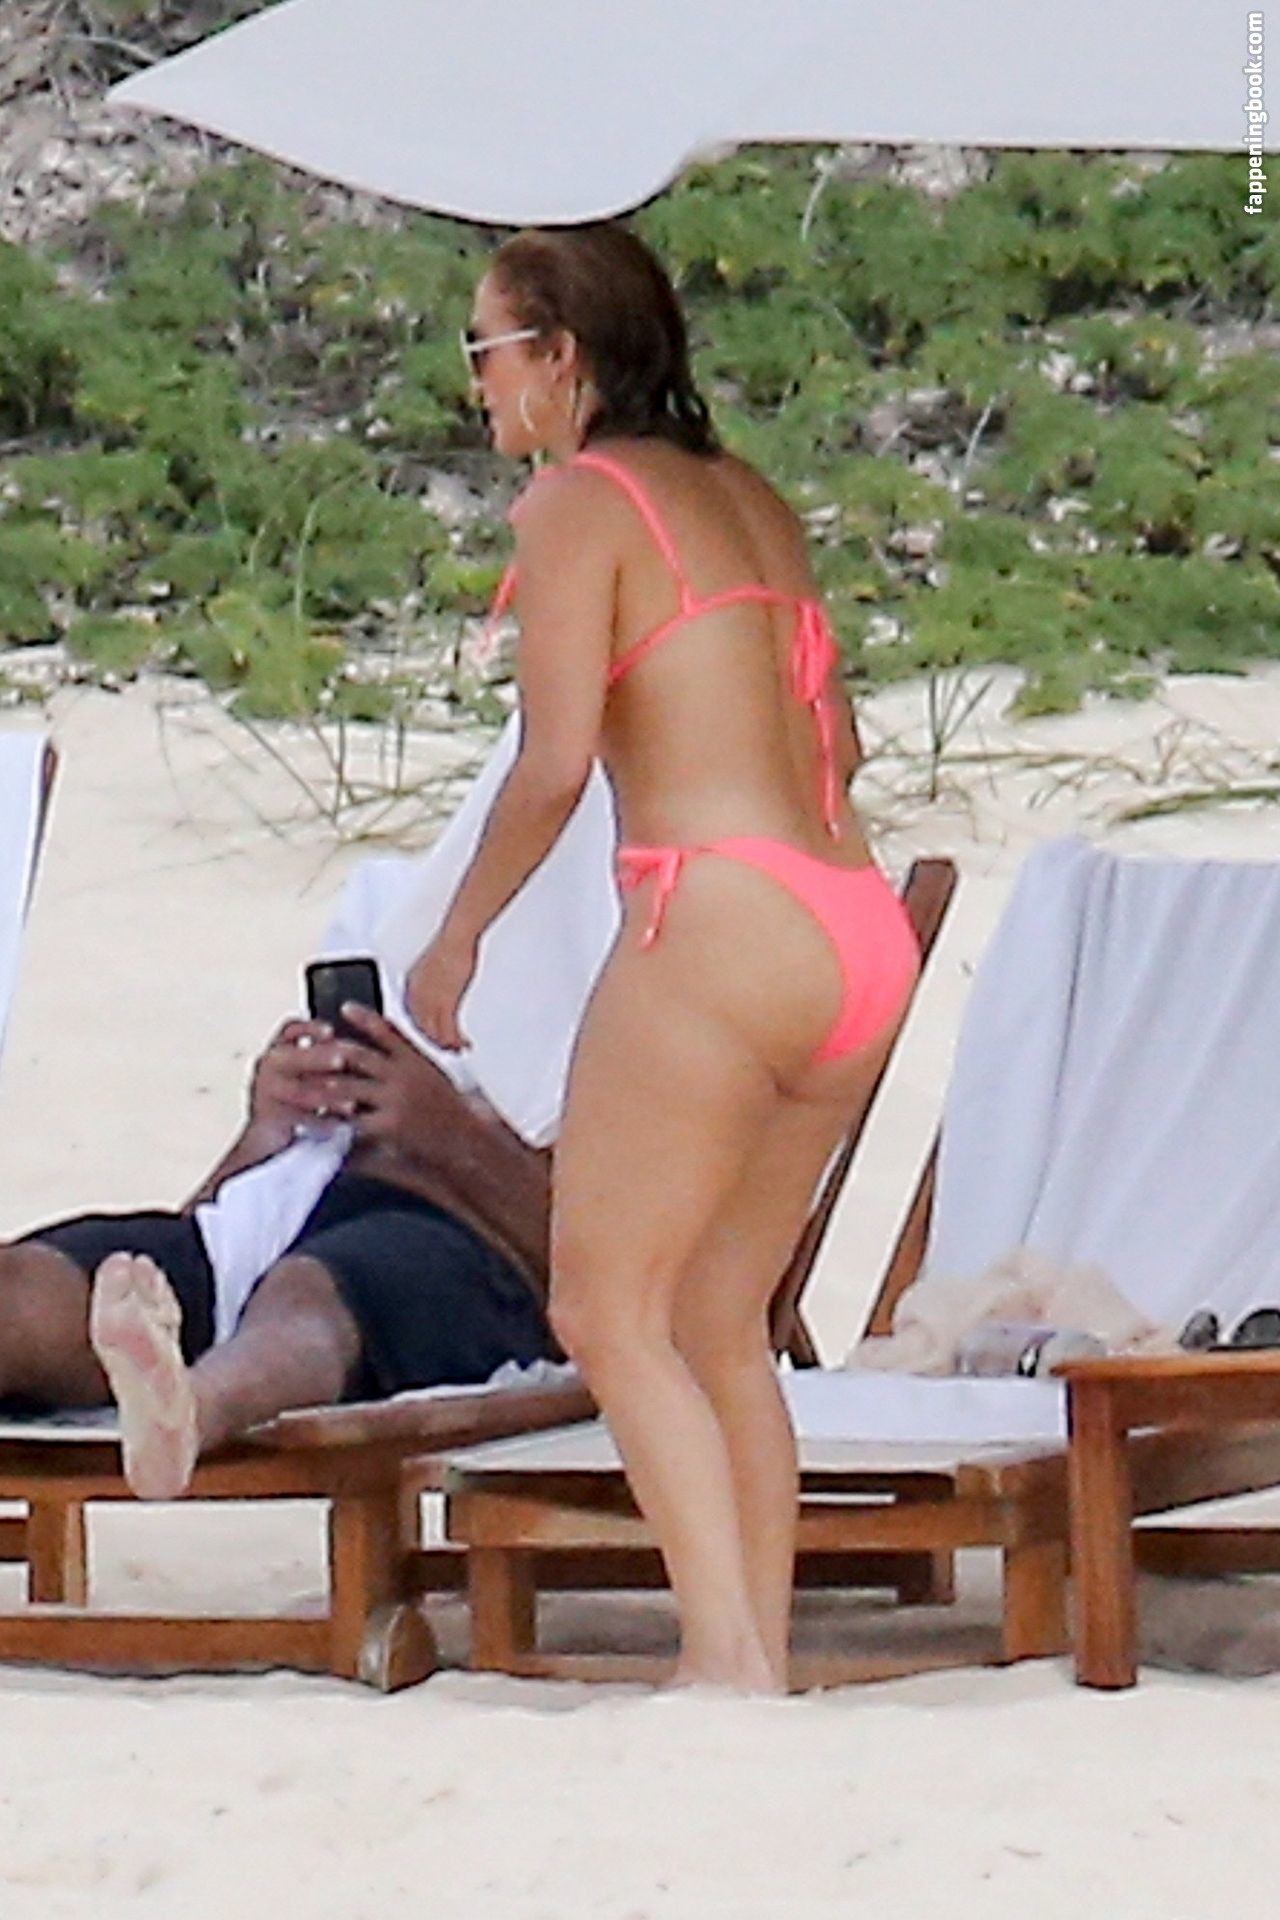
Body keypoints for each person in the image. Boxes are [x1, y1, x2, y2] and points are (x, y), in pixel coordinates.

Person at [403, 224, 920, 1694]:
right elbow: (838, 740)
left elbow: (554, 762)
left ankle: (723, 1660)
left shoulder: (580, 504)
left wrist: (458, 934)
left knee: (606, 1308)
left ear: (560, 357)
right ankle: (756, 1658)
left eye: (487, 349)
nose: (476, 384)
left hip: (718, 918)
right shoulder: (750, 498)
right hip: (852, 922)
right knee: (719, 1320)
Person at [0, 1003, 560, 1499]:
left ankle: (192, 1409)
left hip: (466, 1229)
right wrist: (264, 1133)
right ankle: (166, 1392)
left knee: (305, 1296)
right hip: (275, 1202)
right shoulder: (388, 915)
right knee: (32, 1288)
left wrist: (452, 1134)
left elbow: (595, 1269)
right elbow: (205, 1214)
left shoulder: (602, 959)